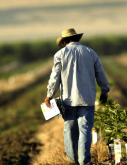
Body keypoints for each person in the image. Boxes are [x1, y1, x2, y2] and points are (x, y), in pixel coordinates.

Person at [45, 28, 110, 165]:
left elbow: (55, 77)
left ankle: (73, 159)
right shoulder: (90, 52)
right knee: (85, 129)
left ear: (65, 42)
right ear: (76, 39)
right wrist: (104, 90)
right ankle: (84, 161)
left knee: (69, 129)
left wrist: (49, 95)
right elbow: (100, 73)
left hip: (68, 99)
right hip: (87, 98)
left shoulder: (60, 54)